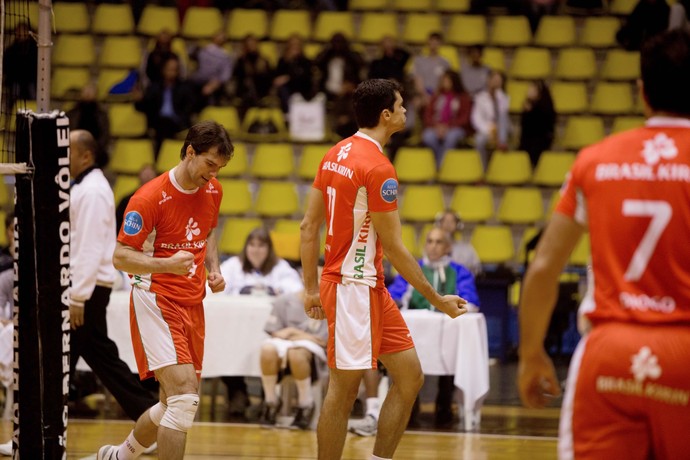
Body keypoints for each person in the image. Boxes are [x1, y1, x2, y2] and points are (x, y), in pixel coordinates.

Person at [517, 30, 690, 459]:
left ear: (642, 91)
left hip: (610, 351)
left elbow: (542, 269)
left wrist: (531, 353)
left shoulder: (595, 160)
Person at [300, 78, 468, 460]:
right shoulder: (378, 168)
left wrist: (310, 287)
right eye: (401, 105)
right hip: (351, 287)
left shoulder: (334, 154)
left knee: (409, 377)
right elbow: (394, 247)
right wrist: (437, 299)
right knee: (343, 393)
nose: (407, 110)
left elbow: (308, 226)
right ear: (385, 115)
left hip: (366, 286)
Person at [99, 121, 234, 460]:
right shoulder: (148, 197)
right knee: (184, 399)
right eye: (210, 165)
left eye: (220, 168)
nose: (214, 174)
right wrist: (165, 265)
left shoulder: (213, 191)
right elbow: (120, 257)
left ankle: (119, 456)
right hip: (156, 299)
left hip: (193, 302)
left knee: (170, 404)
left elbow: (207, 233)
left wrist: (213, 270)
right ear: (190, 152)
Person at [69, 130, 159, 422]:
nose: (62, 155)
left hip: (89, 289)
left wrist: (78, 296)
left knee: (97, 357)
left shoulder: (93, 190)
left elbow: (91, 246)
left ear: (86, 155)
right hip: (85, 286)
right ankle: (38, 427)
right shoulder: (81, 187)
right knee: (85, 357)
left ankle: (149, 416)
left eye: (68, 150)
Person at [388, 227, 480, 428]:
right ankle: (411, 404)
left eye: (439, 242)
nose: (433, 246)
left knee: (451, 352)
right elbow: (393, 295)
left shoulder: (459, 271)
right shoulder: (412, 269)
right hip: (415, 331)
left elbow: (470, 301)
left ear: (448, 247)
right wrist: (394, 301)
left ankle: (445, 401)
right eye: (429, 241)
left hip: (448, 331)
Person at [219, 226, 303, 417]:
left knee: (273, 350)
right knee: (224, 347)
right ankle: (237, 393)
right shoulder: (233, 265)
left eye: (261, 246)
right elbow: (215, 289)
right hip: (235, 327)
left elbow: (296, 292)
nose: (256, 250)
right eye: (252, 245)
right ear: (246, 247)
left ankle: (268, 396)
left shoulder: (281, 267)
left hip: (269, 328)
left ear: (269, 249)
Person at [258, 290, 328, 430]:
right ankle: (271, 401)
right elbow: (275, 331)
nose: (317, 282)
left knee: (296, 354)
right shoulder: (284, 300)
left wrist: (294, 332)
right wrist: (301, 336)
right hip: (288, 343)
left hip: (314, 351)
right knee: (267, 350)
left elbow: (323, 341)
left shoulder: (332, 301)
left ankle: (305, 403)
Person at [135, 54, 199, 157]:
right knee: (162, 125)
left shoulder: (185, 87)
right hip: (158, 123)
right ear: (163, 70)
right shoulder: (154, 87)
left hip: (178, 123)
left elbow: (191, 107)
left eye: (175, 69)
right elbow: (144, 107)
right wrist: (138, 100)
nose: (172, 72)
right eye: (170, 69)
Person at [421, 69, 473, 168]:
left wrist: (447, 126)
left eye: (447, 80)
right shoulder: (436, 97)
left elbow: (464, 118)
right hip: (436, 127)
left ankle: (440, 167)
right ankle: (438, 163)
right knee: (428, 137)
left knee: (451, 138)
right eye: (443, 80)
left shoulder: (463, 97)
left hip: (455, 128)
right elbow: (428, 115)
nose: (444, 83)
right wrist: (436, 126)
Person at [471, 69, 511, 170]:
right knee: (479, 140)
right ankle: (482, 169)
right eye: (494, 79)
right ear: (489, 80)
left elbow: (503, 115)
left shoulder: (504, 97)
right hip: (486, 129)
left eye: (499, 80)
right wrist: (489, 130)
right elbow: (476, 118)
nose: (496, 82)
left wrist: (497, 96)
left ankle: (502, 143)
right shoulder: (480, 97)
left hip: (502, 129)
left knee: (503, 118)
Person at [67, 82, 111, 164]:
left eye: (91, 92)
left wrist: (94, 149)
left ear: (96, 94)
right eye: (86, 92)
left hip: (96, 151)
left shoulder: (102, 115)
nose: (88, 94)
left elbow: (105, 136)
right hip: (75, 148)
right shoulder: (72, 114)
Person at [190, 30, 234, 107]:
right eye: (219, 36)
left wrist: (214, 85)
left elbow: (226, 75)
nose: (220, 38)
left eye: (223, 37)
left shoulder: (225, 56)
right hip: (196, 80)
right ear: (213, 36)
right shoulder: (203, 49)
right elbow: (190, 56)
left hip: (213, 84)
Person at [273, 34, 314, 114]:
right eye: (292, 44)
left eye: (297, 44)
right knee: (283, 89)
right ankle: (289, 113)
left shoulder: (306, 61)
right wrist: (289, 61)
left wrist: (288, 77)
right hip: (288, 89)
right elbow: (277, 78)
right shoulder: (282, 61)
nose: (294, 47)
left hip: (302, 88)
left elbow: (305, 77)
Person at [518, 80, 556, 167]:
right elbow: (524, 129)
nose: (529, 91)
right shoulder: (526, 106)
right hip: (527, 141)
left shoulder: (546, 107)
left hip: (541, 141)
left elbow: (545, 127)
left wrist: (532, 111)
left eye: (533, 89)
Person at [435, 210, 482, 276]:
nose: (448, 224)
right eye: (445, 221)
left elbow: (476, 270)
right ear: (439, 224)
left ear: (458, 225)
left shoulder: (467, 249)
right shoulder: (431, 247)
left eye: (452, 221)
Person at [116, 164, 158, 233]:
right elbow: (118, 223)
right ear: (139, 176)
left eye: (150, 174)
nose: (147, 177)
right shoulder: (126, 200)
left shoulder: (162, 201)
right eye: (145, 174)